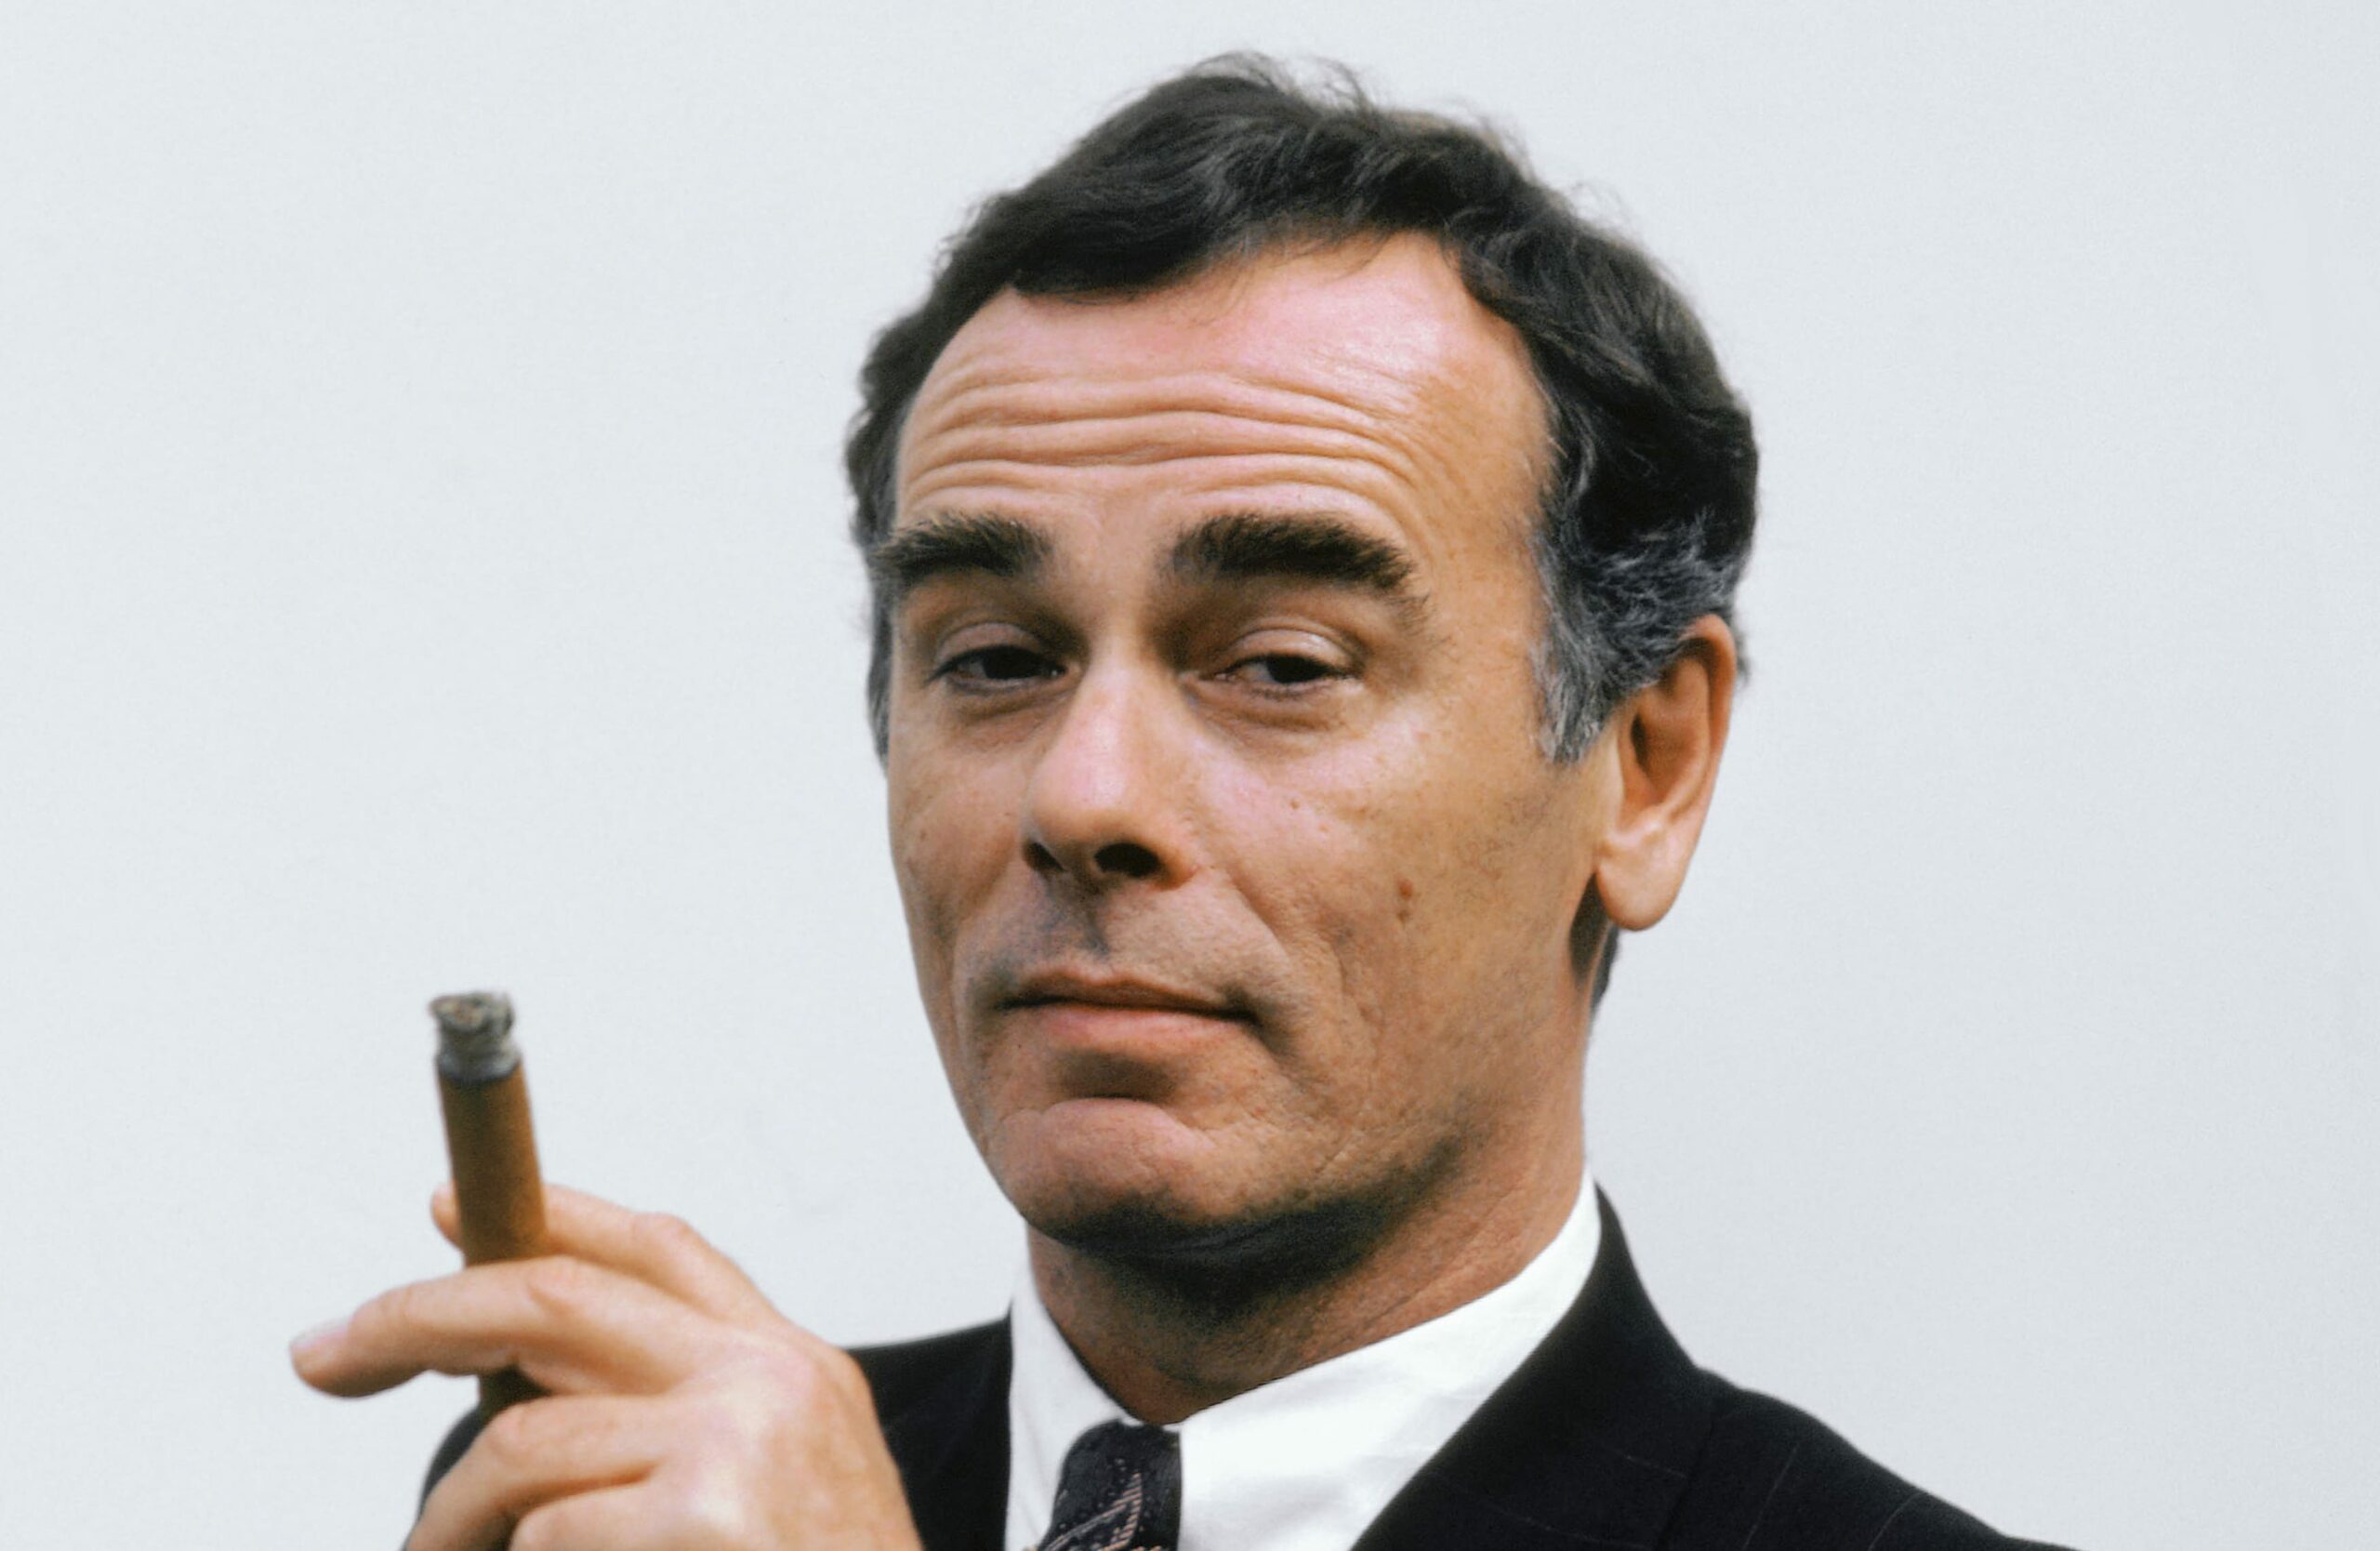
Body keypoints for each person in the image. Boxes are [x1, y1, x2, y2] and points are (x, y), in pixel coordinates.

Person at [293, 57, 2075, 1551]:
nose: (1084, 796)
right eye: (996, 658)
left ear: (1647, 767)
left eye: (1282, 664)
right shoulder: (622, 1509)